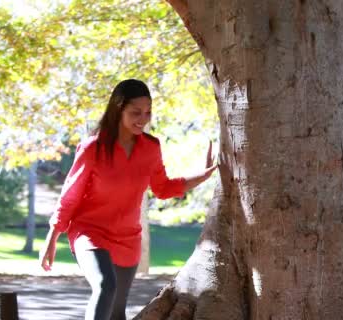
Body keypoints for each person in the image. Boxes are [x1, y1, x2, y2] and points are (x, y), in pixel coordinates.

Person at [39, 79, 217, 320]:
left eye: (147, 112)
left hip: (127, 239)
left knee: (116, 312)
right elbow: (70, 196)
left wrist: (202, 176)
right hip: (89, 231)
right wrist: (51, 238)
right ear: (118, 109)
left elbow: (163, 188)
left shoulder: (151, 148)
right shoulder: (94, 148)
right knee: (105, 286)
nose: (143, 119)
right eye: (135, 112)